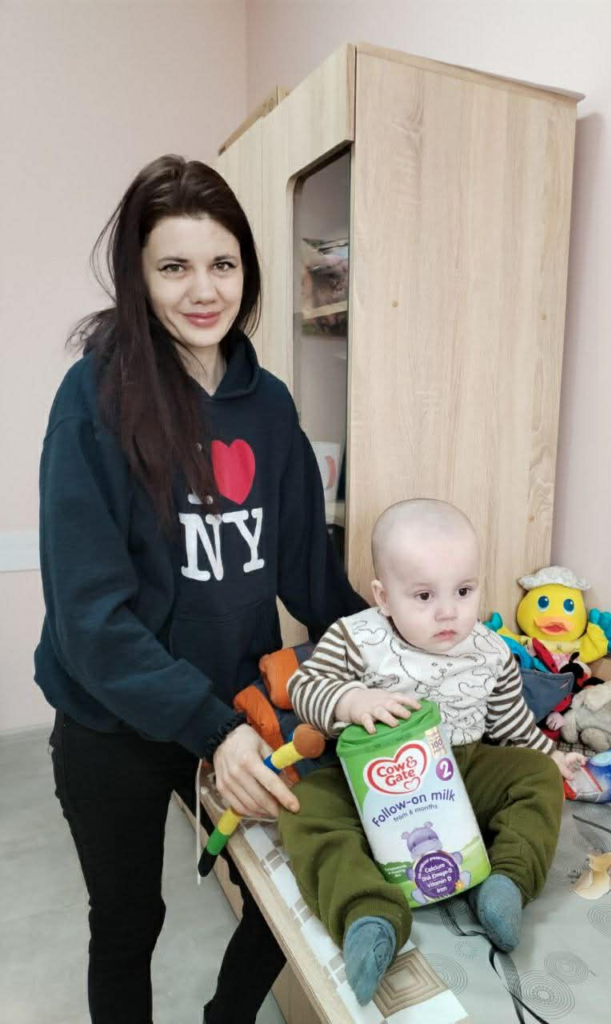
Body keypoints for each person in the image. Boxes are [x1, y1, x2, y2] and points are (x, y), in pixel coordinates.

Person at [34, 154, 366, 1024]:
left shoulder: (269, 406)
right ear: (138, 277)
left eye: (222, 263)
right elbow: (91, 623)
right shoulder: (94, 400)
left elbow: (309, 573)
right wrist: (214, 730)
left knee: (288, 896)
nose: (203, 290)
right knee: (127, 922)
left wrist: (402, 650)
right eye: (174, 266)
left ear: (247, 268)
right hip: (114, 721)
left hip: (239, 707)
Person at [280, 498, 585, 1005]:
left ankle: (507, 882)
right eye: (423, 596)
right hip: (371, 785)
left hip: (463, 771)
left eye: (464, 591)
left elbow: (510, 723)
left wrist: (549, 758)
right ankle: (367, 913)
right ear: (384, 596)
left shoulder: (491, 651)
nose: (448, 612)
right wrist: (352, 700)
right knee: (305, 806)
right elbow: (303, 687)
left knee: (534, 774)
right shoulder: (356, 637)